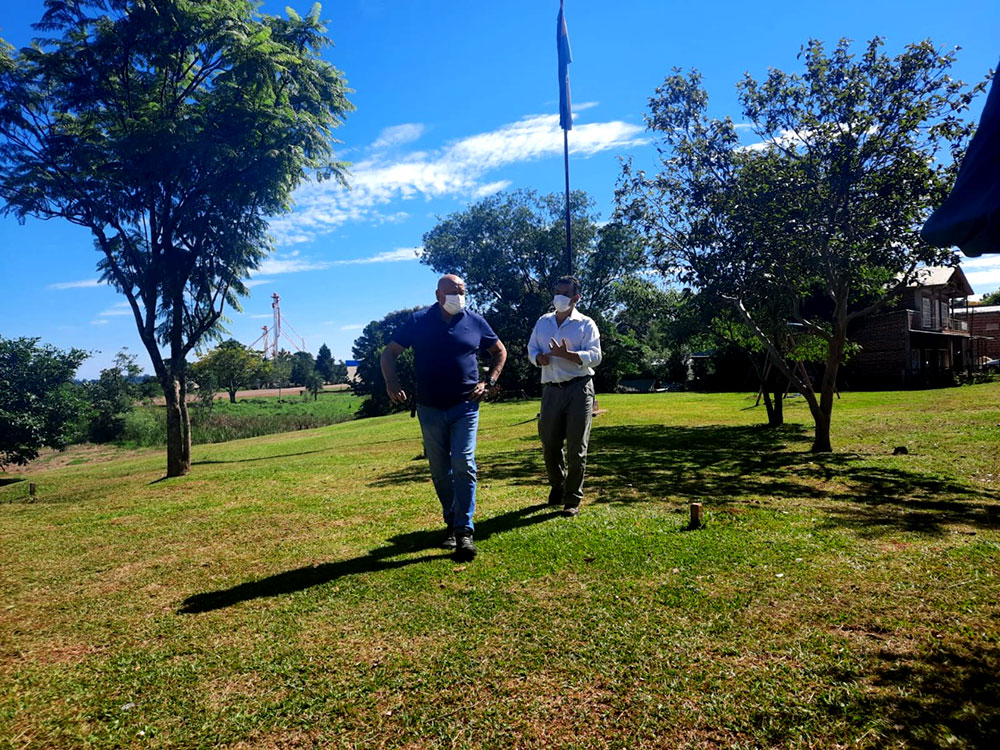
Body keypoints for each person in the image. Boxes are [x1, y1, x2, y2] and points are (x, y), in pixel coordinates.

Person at [381, 274, 507, 562]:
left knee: (464, 461)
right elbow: (389, 353)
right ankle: (451, 520)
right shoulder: (418, 321)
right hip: (429, 408)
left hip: (466, 405)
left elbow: (499, 351)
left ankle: (464, 530)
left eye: (462, 291)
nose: (459, 296)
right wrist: (391, 383)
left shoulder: (475, 321)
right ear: (438, 295)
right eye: (453, 291)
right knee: (440, 470)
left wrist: (489, 380)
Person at [527, 275, 602, 516]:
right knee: (549, 445)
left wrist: (569, 354)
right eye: (557, 291)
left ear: (576, 298)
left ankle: (572, 499)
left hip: (579, 388)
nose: (558, 297)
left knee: (576, 447)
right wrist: (539, 358)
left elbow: (596, 356)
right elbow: (532, 349)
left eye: (564, 293)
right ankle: (557, 485)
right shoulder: (543, 322)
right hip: (551, 389)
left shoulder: (586, 324)